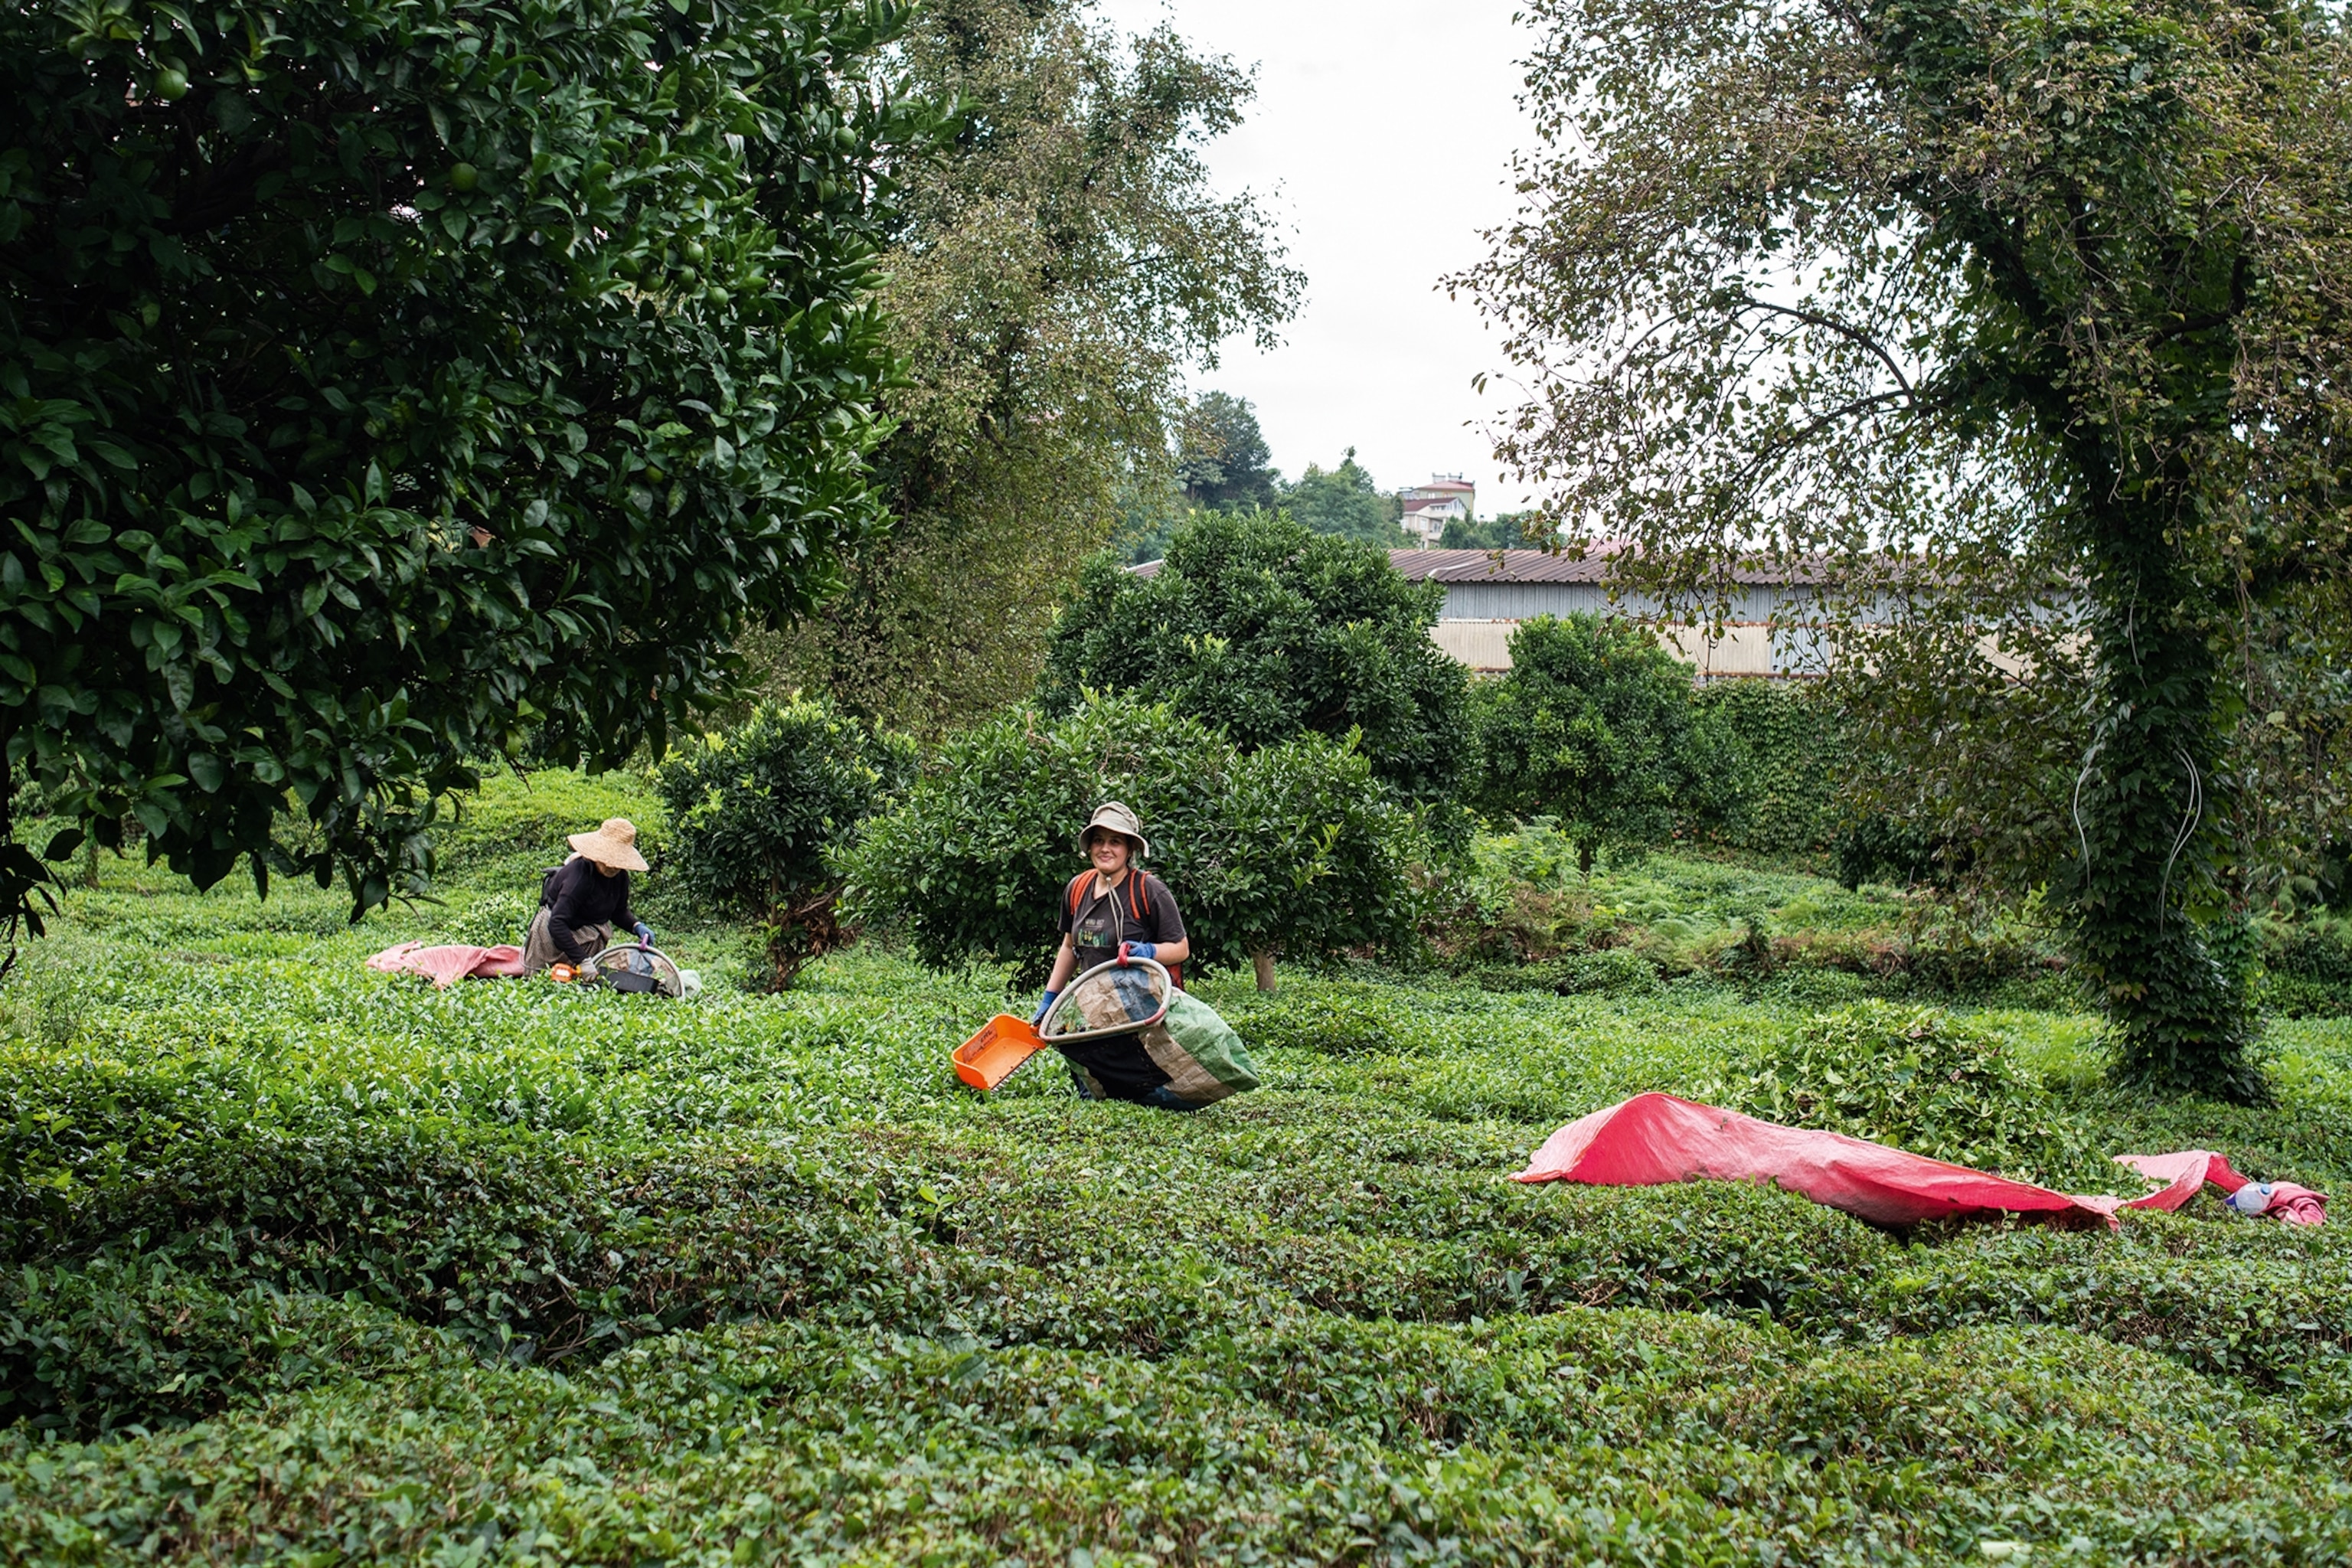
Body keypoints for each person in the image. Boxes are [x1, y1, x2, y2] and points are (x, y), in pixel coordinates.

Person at [1034, 802, 1195, 1105]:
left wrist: (1147, 951)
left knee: (1138, 1097)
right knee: (1094, 1091)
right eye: (1099, 840)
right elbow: (1070, 947)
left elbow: (1181, 949)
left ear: (1130, 849)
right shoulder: (1077, 888)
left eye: (1115, 841)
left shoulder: (1149, 890)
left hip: (1138, 1017)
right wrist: (1050, 998)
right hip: (1093, 1009)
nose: (1105, 849)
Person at [524, 817, 655, 975]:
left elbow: (618, 912)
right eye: (609, 860)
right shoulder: (579, 877)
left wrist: (636, 926)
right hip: (552, 938)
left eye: (618, 862)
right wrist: (583, 961)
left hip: (588, 937)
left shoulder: (620, 877)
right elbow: (557, 923)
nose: (613, 866)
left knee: (579, 986)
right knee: (545, 981)